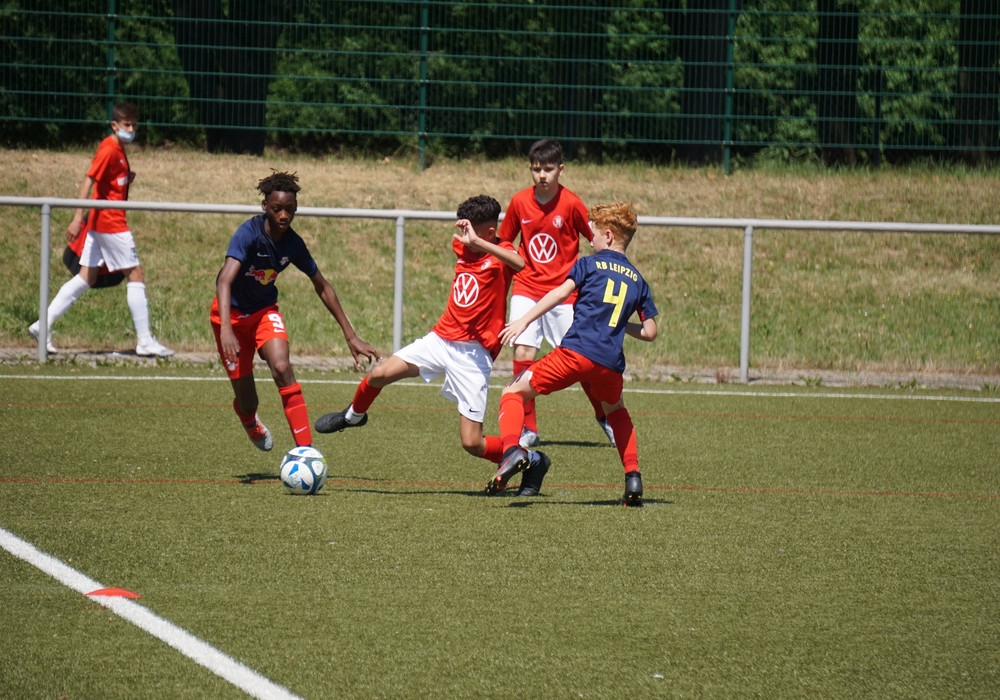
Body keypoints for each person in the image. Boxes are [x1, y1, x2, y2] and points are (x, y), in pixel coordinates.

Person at [313, 195, 552, 496]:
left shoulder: (502, 254)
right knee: (379, 374)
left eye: (469, 229)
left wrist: (480, 243)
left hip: (473, 354)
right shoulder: (462, 245)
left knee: (472, 442)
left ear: (489, 232)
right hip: (440, 339)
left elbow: (520, 263)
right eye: (462, 228)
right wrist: (471, 240)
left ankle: (532, 460)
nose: (463, 235)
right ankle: (353, 416)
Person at [486, 201, 658, 506]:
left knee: (512, 391)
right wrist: (621, 324)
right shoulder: (637, 280)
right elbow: (650, 332)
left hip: (576, 353)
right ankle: (633, 477)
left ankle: (512, 450)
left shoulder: (588, 264)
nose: (590, 240)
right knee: (616, 411)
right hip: (610, 364)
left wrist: (524, 320)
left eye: (593, 234)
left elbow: (560, 293)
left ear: (608, 236)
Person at [211, 171, 380, 452]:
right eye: (277, 208)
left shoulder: (293, 244)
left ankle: (306, 452)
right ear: (265, 206)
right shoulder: (248, 234)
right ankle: (249, 420)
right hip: (230, 316)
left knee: (282, 367)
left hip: (264, 312)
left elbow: (322, 286)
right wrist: (227, 329)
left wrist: (350, 336)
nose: (283, 215)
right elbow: (224, 281)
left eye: (289, 209)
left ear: (296, 208)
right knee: (248, 402)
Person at [28, 102, 173, 357]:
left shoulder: (118, 149)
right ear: (114, 125)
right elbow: (89, 179)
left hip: (101, 222)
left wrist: (126, 180)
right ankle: (144, 340)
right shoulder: (109, 148)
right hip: (110, 221)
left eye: (134, 125)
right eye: (127, 125)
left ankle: (43, 324)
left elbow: (110, 181)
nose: (131, 130)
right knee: (136, 275)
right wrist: (77, 218)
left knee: (87, 277)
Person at [498, 138, 614, 449]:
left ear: (561, 169)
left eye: (548, 169)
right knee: (523, 354)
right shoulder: (519, 202)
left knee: (581, 361)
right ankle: (529, 428)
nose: (542, 175)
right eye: (536, 169)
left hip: (564, 293)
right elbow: (505, 240)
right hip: (526, 288)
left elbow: (595, 239)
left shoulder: (572, 203)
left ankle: (603, 416)